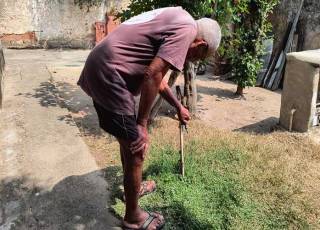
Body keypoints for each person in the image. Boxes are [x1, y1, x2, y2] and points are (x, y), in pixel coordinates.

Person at [78, 6, 221, 230]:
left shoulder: (178, 18)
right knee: (137, 146)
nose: (192, 61)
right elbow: (153, 74)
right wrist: (143, 123)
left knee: (128, 141)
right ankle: (133, 217)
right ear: (201, 45)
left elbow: (158, 76)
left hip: (100, 66)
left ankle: (132, 188)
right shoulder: (186, 30)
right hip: (109, 75)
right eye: (199, 57)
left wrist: (177, 107)